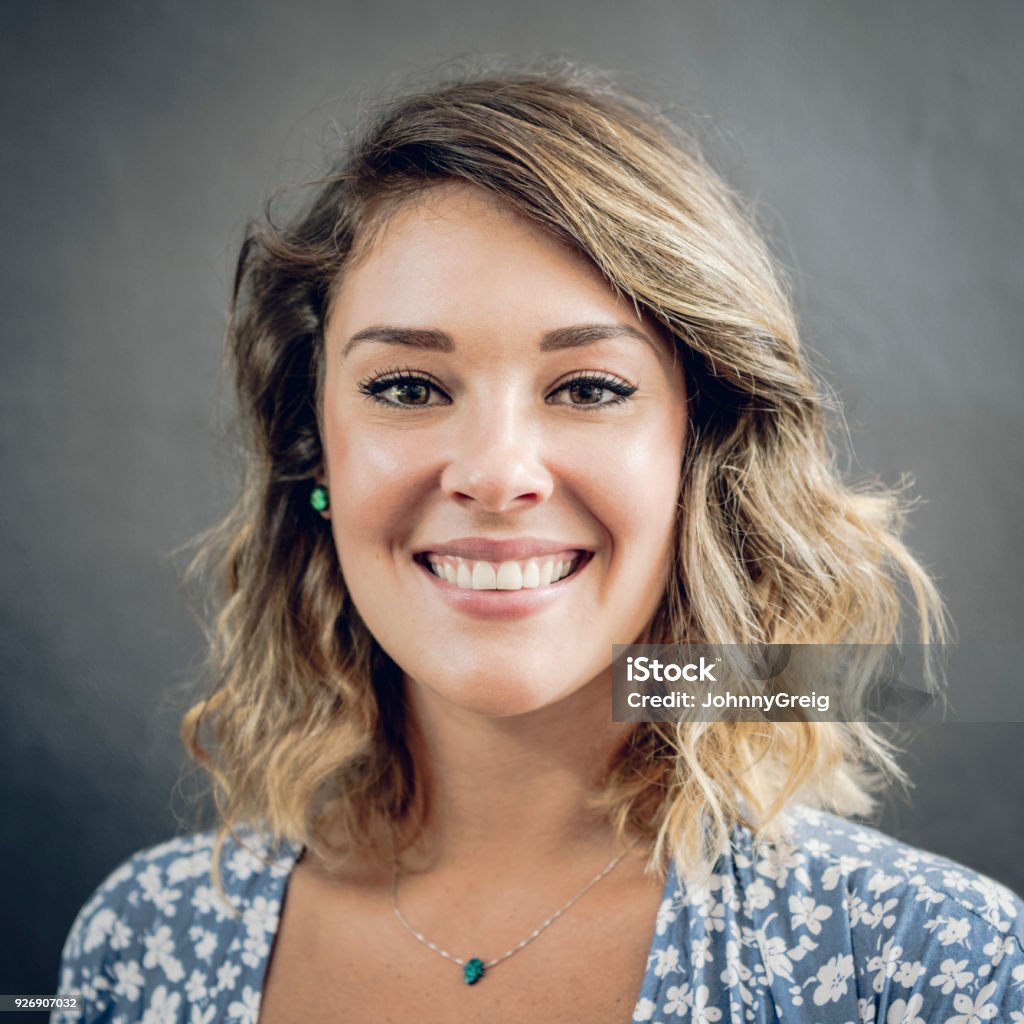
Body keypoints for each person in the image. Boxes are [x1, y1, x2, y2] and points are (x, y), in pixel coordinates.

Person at [53, 67, 1024, 1023]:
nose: (494, 472)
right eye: (406, 386)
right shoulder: (138, 946)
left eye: (589, 387)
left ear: (702, 450)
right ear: (316, 453)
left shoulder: (926, 966)